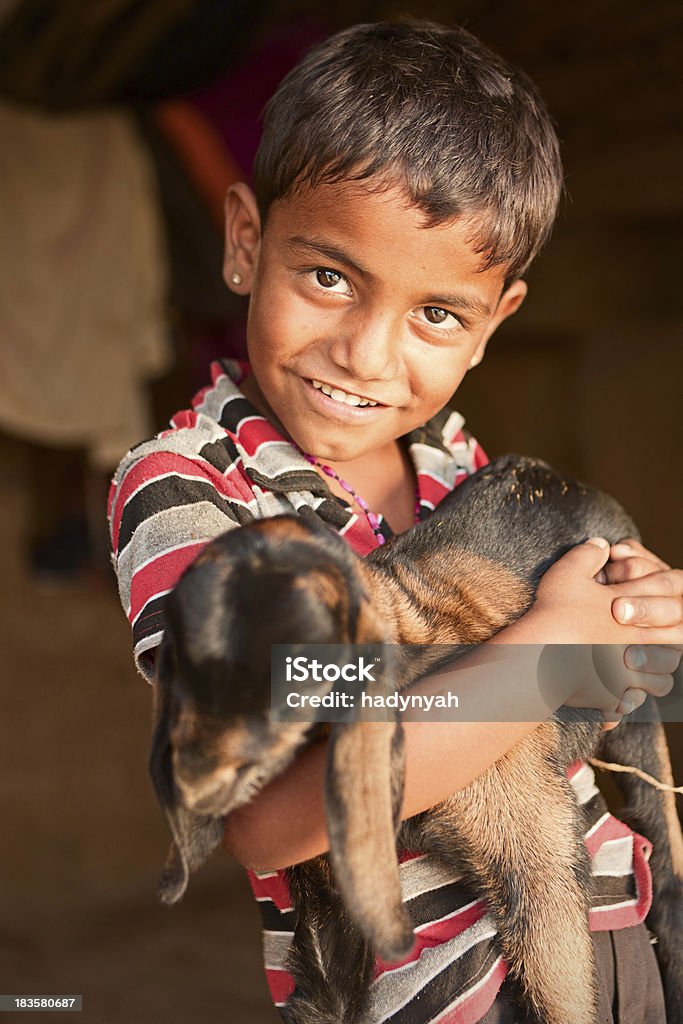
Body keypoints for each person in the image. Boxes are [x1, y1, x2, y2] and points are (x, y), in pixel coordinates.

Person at [108, 21, 683, 1023]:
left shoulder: (457, 461)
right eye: (328, 277)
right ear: (245, 243)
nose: (366, 357)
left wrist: (631, 622)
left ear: (493, 322)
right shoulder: (192, 488)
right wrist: (547, 652)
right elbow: (268, 818)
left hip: (617, 943)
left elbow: (586, 708)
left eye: (435, 315)